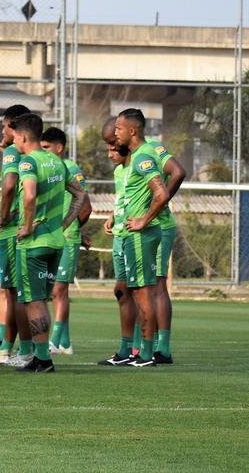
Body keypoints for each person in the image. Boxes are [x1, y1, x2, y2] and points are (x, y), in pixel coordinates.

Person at [10, 112, 87, 373]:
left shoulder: (28, 163)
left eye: (14, 138)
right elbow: (79, 193)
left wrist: (28, 226)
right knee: (41, 298)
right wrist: (64, 223)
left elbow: (29, 196)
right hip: (56, 241)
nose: (14, 143)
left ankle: (42, 358)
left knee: (34, 301)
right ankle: (41, 357)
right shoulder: (57, 163)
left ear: (21, 137)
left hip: (33, 243)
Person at [112, 108, 171, 368]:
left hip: (140, 235)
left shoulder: (143, 156)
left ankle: (147, 353)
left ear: (132, 130)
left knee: (144, 291)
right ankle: (142, 352)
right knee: (138, 290)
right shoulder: (137, 156)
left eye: (118, 128)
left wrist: (144, 220)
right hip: (133, 233)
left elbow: (161, 193)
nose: (116, 133)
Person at [40, 127, 93, 356]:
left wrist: (74, 229)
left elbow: (86, 206)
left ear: (59, 148)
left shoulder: (71, 169)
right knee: (54, 290)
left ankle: (53, 340)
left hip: (66, 237)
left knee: (59, 290)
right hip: (51, 236)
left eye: (46, 148)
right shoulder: (46, 168)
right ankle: (65, 342)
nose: (43, 152)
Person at [0, 104, 33, 367]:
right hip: (30, 227)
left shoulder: (12, 152)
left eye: (5, 126)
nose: (2, 131)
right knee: (18, 289)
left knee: (11, 290)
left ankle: (10, 348)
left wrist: (4, 215)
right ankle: (13, 345)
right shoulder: (32, 155)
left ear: (15, 127)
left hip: (12, 229)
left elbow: (8, 186)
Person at [100, 139, 139, 366]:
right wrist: (113, 216)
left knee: (138, 291)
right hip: (119, 235)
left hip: (134, 235)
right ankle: (126, 349)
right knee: (121, 291)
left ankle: (141, 348)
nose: (109, 154)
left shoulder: (140, 165)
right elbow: (122, 198)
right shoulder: (118, 172)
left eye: (113, 149)